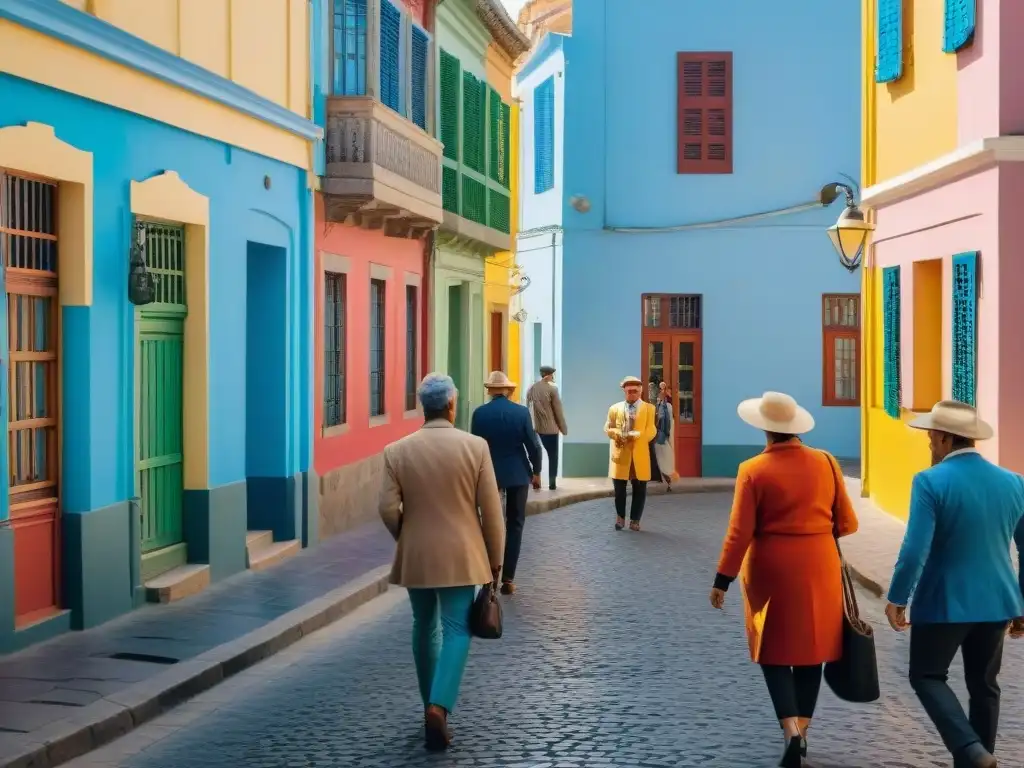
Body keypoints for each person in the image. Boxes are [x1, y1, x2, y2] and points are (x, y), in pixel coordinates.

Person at [709, 391, 858, 768]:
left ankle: (789, 728)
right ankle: (804, 731)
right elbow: (847, 523)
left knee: (772, 649)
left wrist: (722, 579)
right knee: (812, 651)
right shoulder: (826, 462)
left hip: (770, 568)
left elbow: (738, 531)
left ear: (764, 429)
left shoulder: (752, 469)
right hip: (819, 564)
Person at [883, 400, 1024, 768]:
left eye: (931, 439)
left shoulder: (929, 481)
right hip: (997, 602)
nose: (930, 446)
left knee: (927, 676)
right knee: (984, 686)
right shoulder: (1014, 482)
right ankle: (979, 758)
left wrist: (898, 596)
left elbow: (915, 549)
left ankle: (971, 751)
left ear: (945, 439)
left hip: (943, 601)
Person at [378, 373, 505, 752]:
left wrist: (407, 536)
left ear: (422, 406)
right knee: (457, 628)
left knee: (423, 625)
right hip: (461, 556)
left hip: (416, 554)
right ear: (452, 405)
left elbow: (386, 507)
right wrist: (495, 562)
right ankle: (439, 706)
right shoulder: (475, 447)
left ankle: (427, 705)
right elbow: (492, 512)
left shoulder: (397, 450)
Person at [471, 371, 542, 595]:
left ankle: (489, 576)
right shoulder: (521, 413)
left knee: (488, 523)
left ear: (490, 391)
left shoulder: (479, 414)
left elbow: (476, 446)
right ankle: (508, 578)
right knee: (515, 523)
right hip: (517, 473)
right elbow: (533, 444)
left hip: (488, 472)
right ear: (509, 391)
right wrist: (536, 471)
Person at [604, 375, 657, 531]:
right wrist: (616, 433)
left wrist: (641, 436)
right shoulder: (614, 408)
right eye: (629, 391)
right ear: (624, 392)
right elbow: (608, 427)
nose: (632, 394)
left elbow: (652, 429)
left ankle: (635, 520)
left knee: (639, 488)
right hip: (621, 453)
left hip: (639, 454)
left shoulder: (649, 409)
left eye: (635, 391)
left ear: (640, 391)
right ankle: (620, 517)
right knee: (619, 489)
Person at [526, 365, 568, 490]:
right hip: (550, 428)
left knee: (536, 452)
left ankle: (536, 476)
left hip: (535, 427)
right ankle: (552, 483)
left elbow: (528, 407)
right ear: (549, 375)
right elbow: (558, 411)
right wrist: (563, 428)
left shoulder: (532, 388)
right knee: (553, 456)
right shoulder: (552, 389)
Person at [654, 382, 679, 490]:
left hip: (661, 435)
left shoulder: (665, 406)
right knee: (663, 456)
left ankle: (668, 479)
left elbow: (664, 422)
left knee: (663, 456)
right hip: (662, 434)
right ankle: (667, 480)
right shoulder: (663, 405)